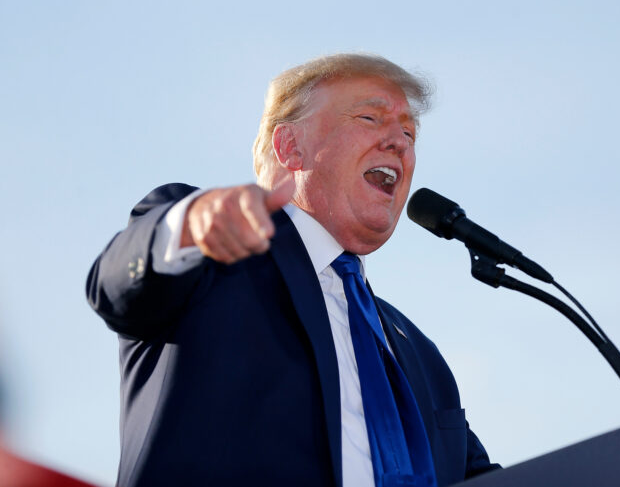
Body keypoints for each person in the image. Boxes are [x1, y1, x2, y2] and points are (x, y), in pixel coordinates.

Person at [87, 53, 499, 487]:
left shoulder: (421, 354)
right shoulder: (210, 262)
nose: (399, 141)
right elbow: (114, 283)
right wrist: (190, 225)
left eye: (409, 132)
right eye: (370, 117)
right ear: (290, 147)